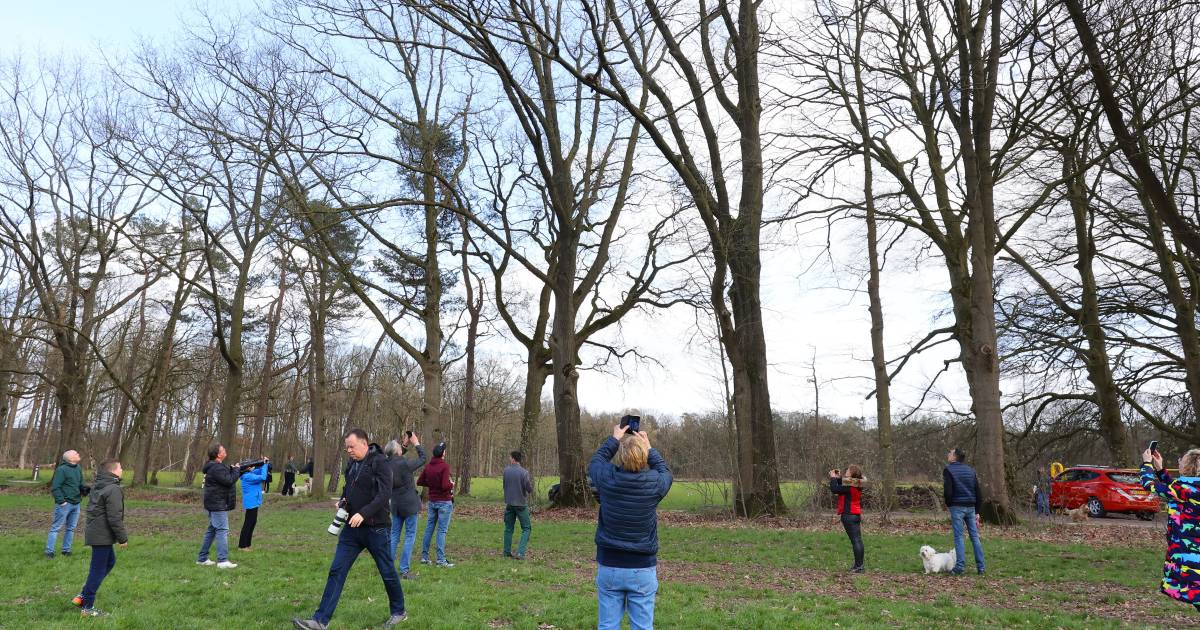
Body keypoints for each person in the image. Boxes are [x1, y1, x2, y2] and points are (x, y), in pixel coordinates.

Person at [293, 428, 406, 629]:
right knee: (337, 570)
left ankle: (399, 611)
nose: (349, 451)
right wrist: (344, 501)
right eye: (347, 448)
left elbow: (384, 494)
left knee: (387, 571)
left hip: (376, 529)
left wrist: (363, 513)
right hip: (352, 531)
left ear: (364, 443)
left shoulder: (380, 462)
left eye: (352, 446)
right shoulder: (353, 463)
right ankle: (320, 621)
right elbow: (350, 488)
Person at [588, 419, 673, 630]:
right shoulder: (654, 483)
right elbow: (665, 472)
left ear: (621, 457)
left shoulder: (607, 479)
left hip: (610, 564)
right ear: (644, 456)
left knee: (607, 626)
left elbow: (596, 462)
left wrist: (614, 439)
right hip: (642, 568)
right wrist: (650, 447)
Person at [1141, 446, 1200, 612]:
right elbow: (1177, 489)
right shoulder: (1183, 489)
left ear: (1188, 467)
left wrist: (1147, 464)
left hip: (1188, 554)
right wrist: (1160, 470)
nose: (1179, 462)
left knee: (1194, 592)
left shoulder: (1180, 490)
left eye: (1181, 460)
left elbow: (1149, 485)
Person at [71, 459, 128, 618]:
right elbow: (115, 517)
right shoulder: (113, 489)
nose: (122, 470)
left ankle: (82, 596)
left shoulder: (99, 485)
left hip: (97, 533)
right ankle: (87, 607)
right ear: (113, 471)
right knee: (97, 570)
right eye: (121, 467)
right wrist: (122, 538)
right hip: (101, 535)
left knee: (110, 562)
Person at [386, 432, 427, 579]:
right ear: (397, 452)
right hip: (409, 505)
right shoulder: (405, 464)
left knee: (394, 535)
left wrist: (404, 444)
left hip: (396, 505)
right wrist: (416, 443)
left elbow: (395, 456)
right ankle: (404, 569)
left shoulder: (386, 464)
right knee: (409, 536)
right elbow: (423, 458)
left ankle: (388, 567)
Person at [197, 444, 242, 569]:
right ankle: (222, 561)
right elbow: (229, 480)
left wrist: (236, 470)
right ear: (218, 454)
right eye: (223, 450)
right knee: (222, 530)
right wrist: (236, 470)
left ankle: (202, 558)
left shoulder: (215, 467)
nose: (225, 450)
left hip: (213, 503)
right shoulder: (216, 468)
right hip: (217, 504)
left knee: (212, 530)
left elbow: (227, 477)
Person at [943, 447, 985, 576]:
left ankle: (960, 566)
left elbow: (948, 492)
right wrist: (977, 509)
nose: (948, 454)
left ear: (954, 456)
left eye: (950, 452)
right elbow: (978, 492)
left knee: (959, 537)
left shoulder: (948, 470)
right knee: (974, 537)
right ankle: (981, 567)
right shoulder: (971, 470)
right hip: (971, 507)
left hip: (957, 507)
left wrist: (949, 504)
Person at [417, 442, 455, 567]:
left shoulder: (428, 466)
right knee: (442, 531)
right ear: (443, 453)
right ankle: (440, 560)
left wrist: (433, 485)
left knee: (429, 528)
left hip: (432, 502)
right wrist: (452, 484)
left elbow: (420, 481)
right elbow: (445, 485)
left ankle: (424, 557)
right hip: (444, 502)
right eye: (444, 450)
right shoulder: (444, 466)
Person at [46, 449, 84, 558]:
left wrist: (84, 490)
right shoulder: (61, 470)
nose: (78, 454)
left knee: (71, 528)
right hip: (64, 504)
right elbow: (55, 487)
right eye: (76, 453)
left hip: (76, 503)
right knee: (56, 528)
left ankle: (66, 550)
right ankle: (49, 551)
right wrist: (61, 501)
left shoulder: (78, 468)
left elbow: (81, 483)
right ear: (70, 458)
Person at [829, 464, 866, 573]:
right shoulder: (858, 483)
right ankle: (859, 565)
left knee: (855, 541)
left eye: (848, 471)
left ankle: (859, 567)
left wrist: (833, 478)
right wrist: (838, 478)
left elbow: (834, 489)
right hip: (856, 514)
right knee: (858, 540)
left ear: (852, 473)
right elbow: (843, 484)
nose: (846, 471)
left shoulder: (850, 485)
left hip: (848, 515)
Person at [502, 450, 534, 560]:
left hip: (509, 503)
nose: (509, 459)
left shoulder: (506, 471)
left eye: (510, 457)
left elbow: (504, 485)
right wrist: (530, 489)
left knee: (508, 528)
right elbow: (528, 488)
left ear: (513, 459)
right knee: (526, 528)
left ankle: (506, 551)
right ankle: (520, 553)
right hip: (520, 504)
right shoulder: (524, 472)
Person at [238, 456, 270, 550]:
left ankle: (247, 544)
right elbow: (263, 476)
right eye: (251, 465)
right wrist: (264, 465)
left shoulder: (249, 473)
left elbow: (259, 471)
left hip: (254, 501)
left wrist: (263, 464)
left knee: (252, 522)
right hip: (251, 502)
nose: (253, 466)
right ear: (248, 468)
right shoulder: (248, 476)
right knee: (248, 523)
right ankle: (242, 545)